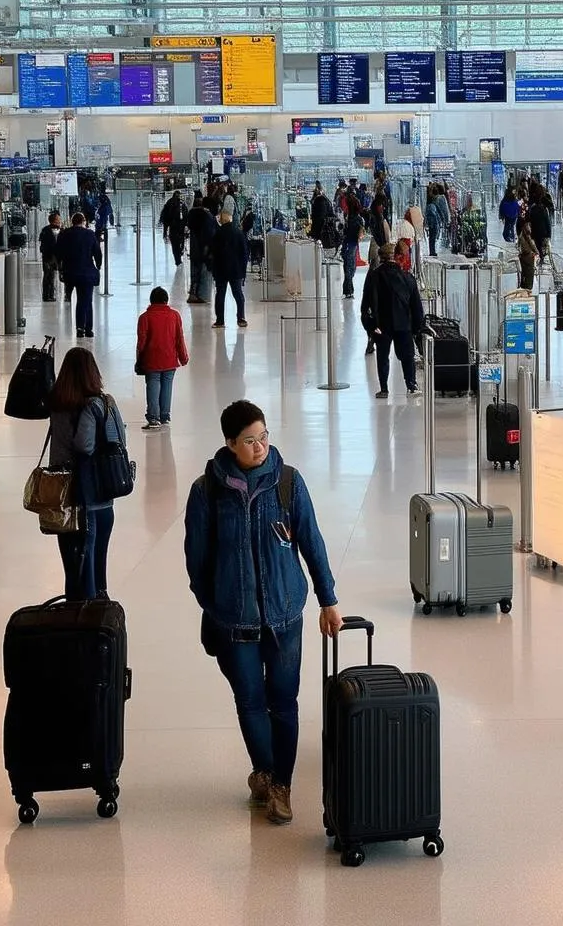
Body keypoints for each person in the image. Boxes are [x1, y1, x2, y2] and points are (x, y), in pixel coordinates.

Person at [184, 400, 343, 825]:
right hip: (234, 622)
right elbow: (196, 560)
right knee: (250, 702)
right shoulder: (207, 491)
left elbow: (312, 541)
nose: (260, 447)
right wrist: (217, 603)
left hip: (286, 614)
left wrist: (328, 599)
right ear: (230, 444)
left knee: (284, 702)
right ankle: (266, 771)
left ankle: (281, 784)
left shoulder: (287, 483)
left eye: (264, 436)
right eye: (250, 441)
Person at [47, 347, 128, 600]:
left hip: (66, 494)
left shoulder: (57, 404)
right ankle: (97, 610)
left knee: (74, 567)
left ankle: (76, 613)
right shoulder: (101, 403)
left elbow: (78, 445)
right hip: (99, 494)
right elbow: (98, 444)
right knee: (96, 561)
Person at [361, 244, 426, 399]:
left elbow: (366, 304)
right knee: (407, 355)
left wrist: (370, 327)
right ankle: (411, 385)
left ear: (381, 257)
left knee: (382, 355)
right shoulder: (407, 277)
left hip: (381, 324)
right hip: (404, 323)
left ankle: (384, 388)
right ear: (397, 256)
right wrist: (418, 328)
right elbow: (416, 306)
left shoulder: (373, 276)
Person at [137, 286, 189, 431]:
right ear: (166, 301)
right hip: (170, 359)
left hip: (151, 359)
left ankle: (154, 418)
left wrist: (139, 359)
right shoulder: (175, 316)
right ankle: (164, 415)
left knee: (153, 385)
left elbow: (141, 341)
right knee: (167, 386)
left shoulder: (144, 318)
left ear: (151, 301)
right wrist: (183, 357)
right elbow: (179, 338)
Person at [57, 212, 102, 338]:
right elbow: (97, 253)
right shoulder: (89, 234)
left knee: (81, 300)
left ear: (72, 221)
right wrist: (98, 266)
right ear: (83, 221)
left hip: (70, 272)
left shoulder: (65, 234)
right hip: (86, 272)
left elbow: (58, 252)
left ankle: (81, 328)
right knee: (86, 300)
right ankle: (86, 328)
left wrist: (61, 268)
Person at [211, 212, 249, 329]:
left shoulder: (218, 233)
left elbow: (214, 253)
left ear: (222, 220)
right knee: (238, 294)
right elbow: (245, 253)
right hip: (236, 269)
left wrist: (213, 269)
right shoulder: (239, 233)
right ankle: (241, 318)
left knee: (220, 294)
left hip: (221, 269)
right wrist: (243, 270)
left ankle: (220, 321)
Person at [186, 193, 217, 304]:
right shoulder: (208, 216)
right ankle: (203, 296)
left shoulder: (192, 214)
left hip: (194, 248)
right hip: (205, 249)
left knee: (194, 272)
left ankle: (193, 294)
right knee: (205, 272)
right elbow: (210, 234)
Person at [341, 203, 364, 301]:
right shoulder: (358, 219)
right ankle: (348, 289)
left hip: (347, 244)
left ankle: (348, 289)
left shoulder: (348, 219)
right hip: (353, 244)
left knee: (348, 266)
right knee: (351, 266)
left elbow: (344, 231)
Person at [159, 190, 189, 266]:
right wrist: (187, 226)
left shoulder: (169, 203)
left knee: (175, 244)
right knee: (181, 241)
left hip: (173, 228)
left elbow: (165, 218)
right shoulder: (182, 204)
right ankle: (180, 253)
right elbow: (186, 216)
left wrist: (165, 232)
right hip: (180, 227)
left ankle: (177, 259)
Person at [39, 210, 61, 302]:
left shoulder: (58, 230)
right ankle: (47, 295)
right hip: (48, 257)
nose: (59, 220)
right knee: (48, 276)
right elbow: (44, 245)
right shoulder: (46, 231)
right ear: (54, 220)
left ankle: (51, 294)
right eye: (58, 219)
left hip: (53, 256)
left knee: (52, 276)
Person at [527, 193, 552, 270]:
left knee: (538, 246)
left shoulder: (533, 209)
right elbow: (547, 222)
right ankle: (542, 258)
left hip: (535, 231)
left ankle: (540, 258)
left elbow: (530, 220)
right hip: (543, 231)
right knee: (542, 246)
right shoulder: (544, 210)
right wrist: (549, 233)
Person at [518, 222, 539, 291]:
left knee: (524, 272)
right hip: (528, 255)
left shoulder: (521, 232)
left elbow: (518, 244)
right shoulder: (527, 229)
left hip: (523, 255)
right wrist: (536, 252)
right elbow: (531, 242)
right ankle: (528, 290)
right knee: (530, 273)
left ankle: (523, 287)